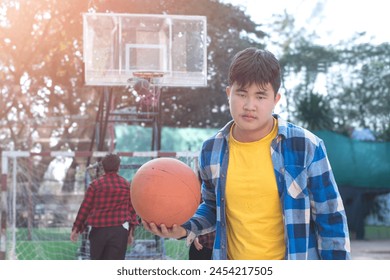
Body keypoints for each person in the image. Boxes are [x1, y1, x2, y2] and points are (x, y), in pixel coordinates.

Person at [143, 47, 351, 260]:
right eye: (241, 94)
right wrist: (185, 228)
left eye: (260, 96)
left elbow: (331, 218)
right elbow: (212, 206)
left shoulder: (305, 146)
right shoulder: (211, 150)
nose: (249, 105)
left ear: (275, 99)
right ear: (228, 93)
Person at [70, 153, 138, 260]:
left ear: (103, 167)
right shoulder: (126, 185)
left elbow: (85, 208)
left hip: (98, 231)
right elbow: (132, 210)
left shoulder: (95, 185)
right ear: (118, 167)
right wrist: (131, 232)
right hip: (119, 232)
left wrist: (76, 228)